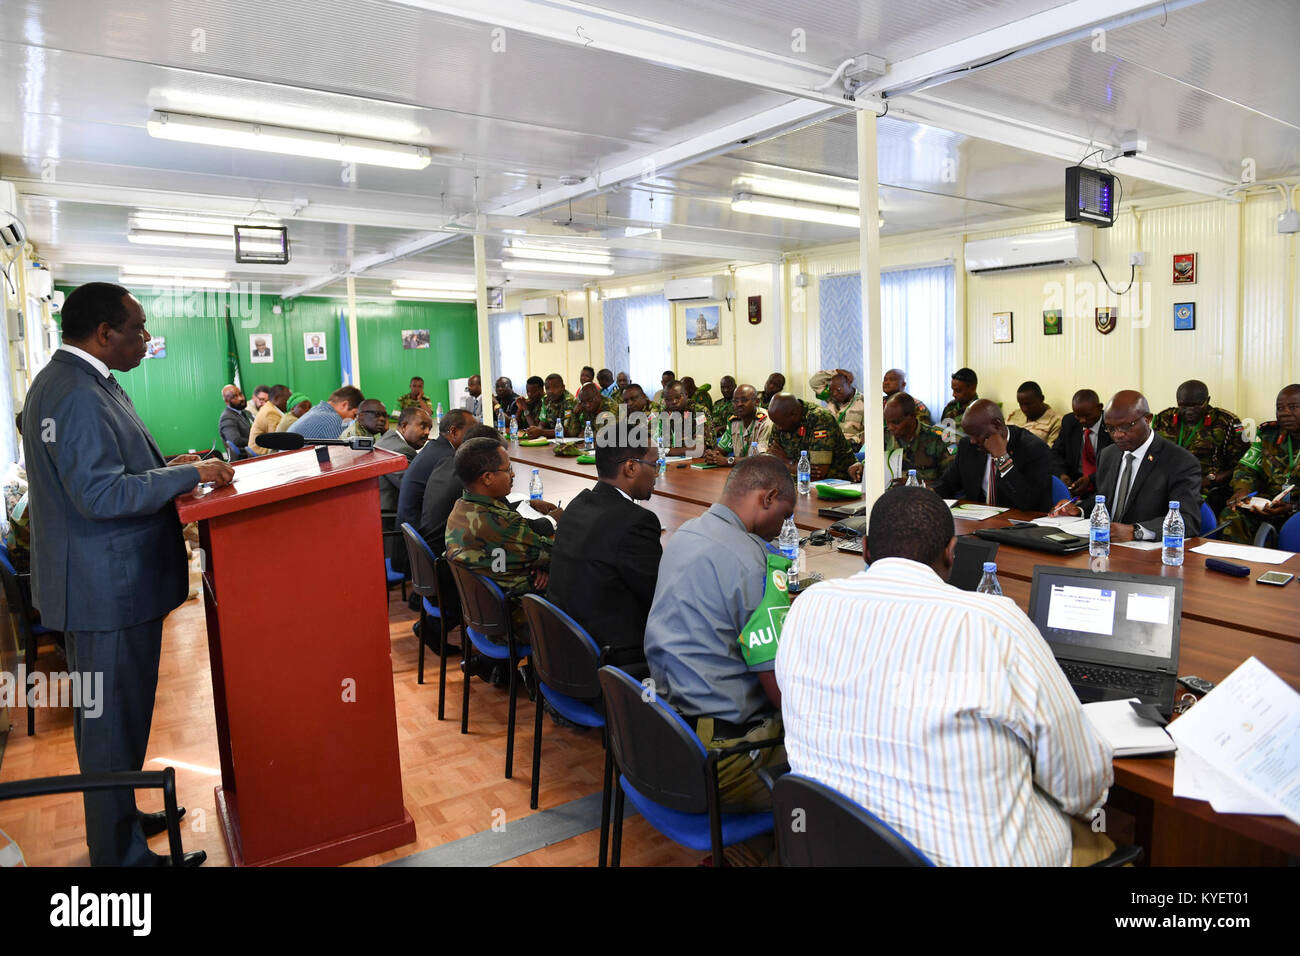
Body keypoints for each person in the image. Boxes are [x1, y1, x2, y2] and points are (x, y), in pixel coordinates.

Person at [776, 486, 1115, 866]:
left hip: (833, 846)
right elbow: (1080, 779)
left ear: (866, 549)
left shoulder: (808, 606)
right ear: (952, 552)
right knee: (1102, 840)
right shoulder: (995, 623)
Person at [23, 282, 234, 866]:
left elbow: (113, 470)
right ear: (104, 334)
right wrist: (190, 478)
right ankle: (121, 863)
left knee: (107, 728)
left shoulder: (83, 382)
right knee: (112, 727)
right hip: (104, 592)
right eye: (138, 329)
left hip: (98, 586)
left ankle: (116, 822)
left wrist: (170, 467)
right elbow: (100, 492)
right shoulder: (75, 393)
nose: (147, 338)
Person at [643, 456, 795, 815]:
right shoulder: (753, 563)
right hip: (722, 757)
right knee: (838, 767)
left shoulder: (684, 534)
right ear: (768, 498)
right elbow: (777, 684)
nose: (784, 528)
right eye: (786, 516)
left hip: (667, 734)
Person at [547, 428, 662, 657]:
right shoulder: (637, 522)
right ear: (631, 467)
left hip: (563, 650)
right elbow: (660, 596)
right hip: (611, 658)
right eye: (655, 464)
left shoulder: (577, 504)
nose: (657, 474)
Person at [444, 438, 560, 637]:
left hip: (485, 612)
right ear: (487, 478)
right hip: (517, 618)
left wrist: (533, 564)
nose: (513, 474)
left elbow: (519, 553)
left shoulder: (460, 507)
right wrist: (540, 566)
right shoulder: (504, 523)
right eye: (508, 470)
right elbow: (557, 556)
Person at [1050, 390, 1202, 540]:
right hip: (1105, 545)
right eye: (1111, 428)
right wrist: (1079, 510)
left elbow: (1188, 520)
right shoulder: (1108, 455)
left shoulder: (1179, 461)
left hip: (1147, 554)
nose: (1117, 435)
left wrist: (1135, 531)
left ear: (1148, 419)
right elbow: (1106, 497)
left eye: (1126, 426)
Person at [933, 399, 1054, 511]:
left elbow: (1031, 503)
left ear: (997, 425)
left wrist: (1002, 458)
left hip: (1018, 525)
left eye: (976, 434)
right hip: (977, 522)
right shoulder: (968, 446)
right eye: (969, 435)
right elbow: (947, 484)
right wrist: (926, 495)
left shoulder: (1034, 449)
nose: (972, 441)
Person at [393, 409, 475, 572]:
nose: (475, 435)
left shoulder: (435, 448)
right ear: (454, 431)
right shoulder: (447, 458)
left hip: (411, 541)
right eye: (471, 430)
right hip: (421, 552)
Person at [1152, 379, 1248, 513]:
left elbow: (1241, 465)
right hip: (1165, 484)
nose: (1189, 411)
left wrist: (1211, 480)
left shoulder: (1228, 422)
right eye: (1183, 406)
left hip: (1205, 487)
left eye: (1196, 405)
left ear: (1207, 401)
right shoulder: (1164, 419)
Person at [1220, 385, 1300, 544]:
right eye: (1280, 408)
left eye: (1293, 407)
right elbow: (1246, 470)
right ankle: (1235, 566)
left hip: (1297, 509)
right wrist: (1242, 491)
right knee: (1232, 514)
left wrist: (1293, 507)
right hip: (1268, 506)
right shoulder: (1268, 435)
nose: (1285, 413)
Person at [852, 392, 953, 485]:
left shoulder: (938, 439)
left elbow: (950, 482)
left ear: (913, 416)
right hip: (888, 496)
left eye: (896, 422)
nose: (891, 428)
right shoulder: (882, 436)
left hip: (925, 496)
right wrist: (861, 467)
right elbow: (871, 464)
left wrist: (915, 484)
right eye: (887, 422)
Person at [764, 393, 857, 481]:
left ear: (794, 414)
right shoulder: (780, 419)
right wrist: (794, 467)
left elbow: (819, 473)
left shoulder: (820, 419)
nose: (778, 428)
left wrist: (788, 463)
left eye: (781, 424)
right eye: (776, 424)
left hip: (836, 484)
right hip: (798, 484)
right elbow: (771, 461)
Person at [1050, 389, 1110, 497]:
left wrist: (1091, 479)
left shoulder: (1111, 424)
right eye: (1078, 415)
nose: (1082, 420)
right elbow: (1056, 453)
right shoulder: (1070, 421)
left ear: (1100, 407)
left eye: (1087, 415)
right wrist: (1061, 474)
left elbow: (1114, 464)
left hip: (1103, 485)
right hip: (1074, 485)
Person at [376, 406, 432, 513]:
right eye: (423, 426)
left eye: (429, 428)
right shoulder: (401, 450)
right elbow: (415, 489)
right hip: (389, 516)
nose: (427, 432)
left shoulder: (389, 439)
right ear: (404, 426)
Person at [704, 384, 771, 466]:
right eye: (735, 401)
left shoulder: (765, 421)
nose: (739, 404)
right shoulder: (734, 421)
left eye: (744, 400)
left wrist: (728, 461)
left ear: (757, 402)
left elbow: (759, 460)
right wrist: (712, 456)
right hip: (740, 472)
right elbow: (720, 451)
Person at [809, 367, 865, 449]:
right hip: (829, 446)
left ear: (849, 383)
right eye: (831, 390)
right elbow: (814, 382)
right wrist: (836, 372)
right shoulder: (831, 398)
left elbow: (869, 434)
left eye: (839, 389)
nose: (835, 394)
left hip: (852, 449)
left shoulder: (865, 403)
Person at [288, 385, 363, 440]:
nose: (353, 419)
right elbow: (342, 453)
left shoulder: (317, 410)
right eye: (354, 414)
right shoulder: (332, 420)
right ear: (344, 405)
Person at [657, 383, 711, 455]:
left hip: (697, 461)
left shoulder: (699, 412)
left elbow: (699, 449)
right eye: (669, 399)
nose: (674, 402)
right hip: (672, 460)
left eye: (678, 397)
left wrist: (666, 451)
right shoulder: (665, 412)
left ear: (686, 395)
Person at [1006, 380, 1063, 447]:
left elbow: (1050, 453)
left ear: (1041, 399)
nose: (1024, 409)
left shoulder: (1056, 421)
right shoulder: (1015, 414)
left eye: (1028, 404)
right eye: (1021, 404)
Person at [524, 373, 576, 438]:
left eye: (555, 387)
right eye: (547, 388)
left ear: (563, 387)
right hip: (554, 439)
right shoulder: (546, 400)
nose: (551, 391)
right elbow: (542, 423)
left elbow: (567, 431)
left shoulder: (569, 402)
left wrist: (541, 432)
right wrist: (536, 430)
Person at [247, 384, 291, 454]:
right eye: (287, 399)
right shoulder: (270, 412)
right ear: (276, 398)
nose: (289, 402)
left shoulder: (270, 408)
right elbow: (278, 439)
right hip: (261, 452)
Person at [218, 384, 254, 456]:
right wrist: (256, 441)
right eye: (235, 396)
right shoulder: (227, 417)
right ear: (226, 401)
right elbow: (235, 441)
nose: (241, 398)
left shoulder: (246, 413)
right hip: (245, 458)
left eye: (240, 394)